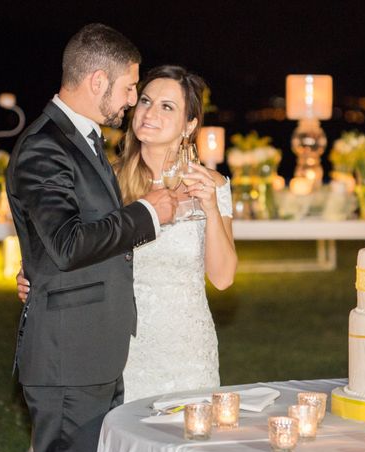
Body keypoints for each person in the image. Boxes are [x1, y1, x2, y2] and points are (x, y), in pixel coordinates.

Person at [6, 24, 177, 452]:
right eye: (127, 88)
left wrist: (35, 272)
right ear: (97, 81)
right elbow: (66, 242)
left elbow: (56, 242)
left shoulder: (84, 139)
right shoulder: (45, 146)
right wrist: (147, 213)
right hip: (68, 358)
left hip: (92, 352)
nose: (129, 100)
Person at [16, 65, 237, 403]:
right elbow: (74, 245)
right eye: (145, 101)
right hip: (117, 345)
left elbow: (222, 278)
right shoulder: (107, 183)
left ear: (190, 124)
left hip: (187, 346)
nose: (150, 113)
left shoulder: (213, 185)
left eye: (167, 107)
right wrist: (36, 274)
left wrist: (209, 207)